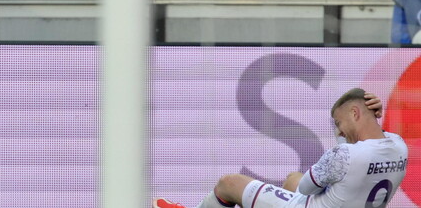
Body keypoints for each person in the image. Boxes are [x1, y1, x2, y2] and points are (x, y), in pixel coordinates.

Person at [153, 88, 405, 208]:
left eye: (339, 123)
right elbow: (372, 139)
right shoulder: (399, 147)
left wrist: (349, 133)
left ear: (354, 112)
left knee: (229, 183)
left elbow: (307, 188)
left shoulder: (345, 154)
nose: (339, 131)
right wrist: (372, 118)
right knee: (290, 179)